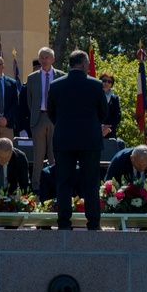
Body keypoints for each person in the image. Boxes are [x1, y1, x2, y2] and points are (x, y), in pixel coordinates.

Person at [47, 49, 108, 230]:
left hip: (64, 140)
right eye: (87, 64)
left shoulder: (56, 85)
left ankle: (64, 223)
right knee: (90, 183)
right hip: (89, 141)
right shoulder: (96, 85)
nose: (88, 67)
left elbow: (52, 113)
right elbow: (103, 113)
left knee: (64, 183)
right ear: (82, 64)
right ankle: (93, 223)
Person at [27, 46, 65, 192]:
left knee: (54, 154)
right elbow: (30, 101)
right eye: (41, 57)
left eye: (46, 57)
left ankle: (55, 184)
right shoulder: (32, 78)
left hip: (55, 119)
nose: (43, 60)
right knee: (38, 155)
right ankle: (36, 186)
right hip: (39, 118)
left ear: (53, 59)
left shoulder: (61, 76)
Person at [99, 73, 122, 140]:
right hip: (96, 132)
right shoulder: (94, 96)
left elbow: (117, 116)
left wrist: (107, 128)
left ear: (112, 84)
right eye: (104, 80)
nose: (106, 83)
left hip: (110, 134)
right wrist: (100, 127)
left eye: (109, 81)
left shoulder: (115, 99)